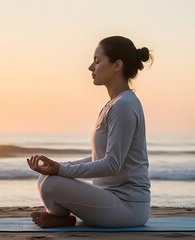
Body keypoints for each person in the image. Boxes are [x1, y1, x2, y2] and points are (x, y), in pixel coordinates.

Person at [27, 36, 153, 228]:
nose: (90, 67)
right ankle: (61, 218)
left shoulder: (124, 106)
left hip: (129, 207)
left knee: (51, 184)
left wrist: (62, 170)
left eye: (97, 61)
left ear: (117, 65)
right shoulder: (115, 104)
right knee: (46, 178)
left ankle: (61, 218)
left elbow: (113, 164)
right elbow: (99, 157)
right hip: (108, 199)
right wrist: (59, 167)